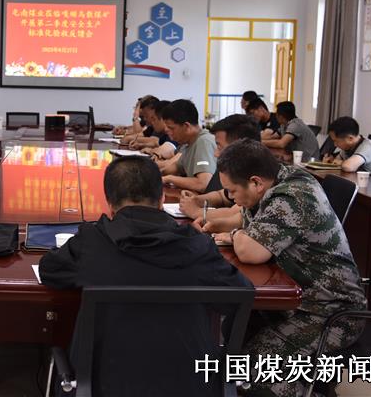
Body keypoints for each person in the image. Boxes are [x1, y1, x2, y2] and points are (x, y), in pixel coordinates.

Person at [39, 155, 251, 396]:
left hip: (104, 386)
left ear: (109, 203)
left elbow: (49, 270)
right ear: (162, 200)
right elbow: (240, 295)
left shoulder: (91, 242)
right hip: (190, 385)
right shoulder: (198, 247)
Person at [209, 139, 366, 397]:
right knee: (233, 337)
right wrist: (235, 231)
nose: (231, 198)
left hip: (332, 311)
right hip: (301, 299)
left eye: (232, 191)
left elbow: (251, 251)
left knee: (252, 377)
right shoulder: (276, 180)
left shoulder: (292, 195)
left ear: (256, 182)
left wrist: (236, 234)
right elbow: (245, 221)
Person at [179, 114, 260, 220]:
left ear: (240, 147)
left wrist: (195, 212)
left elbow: (236, 214)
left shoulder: (259, 175)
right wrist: (197, 200)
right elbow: (222, 196)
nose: (216, 154)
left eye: (219, 146)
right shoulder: (235, 168)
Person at [160, 100, 216, 192]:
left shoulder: (204, 142)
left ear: (186, 126)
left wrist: (169, 178)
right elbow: (175, 167)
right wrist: (155, 173)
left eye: (171, 128)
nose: (167, 131)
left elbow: (203, 183)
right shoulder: (188, 143)